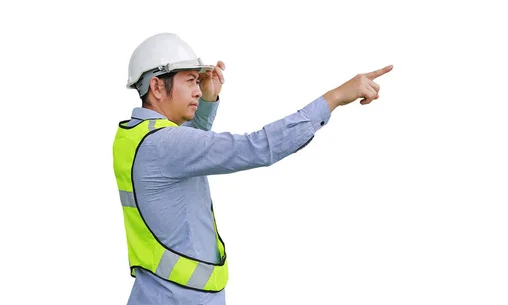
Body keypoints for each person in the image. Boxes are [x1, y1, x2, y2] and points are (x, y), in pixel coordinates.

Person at [112, 32, 393, 305]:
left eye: (198, 81)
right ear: (158, 87)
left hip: (156, 292)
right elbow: (256, 148)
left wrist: (207, 102)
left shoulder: (133, 137)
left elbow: (188, 150)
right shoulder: (166, 144)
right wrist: (334, 98)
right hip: (182, 297)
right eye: (190, 81)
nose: (198, 90)